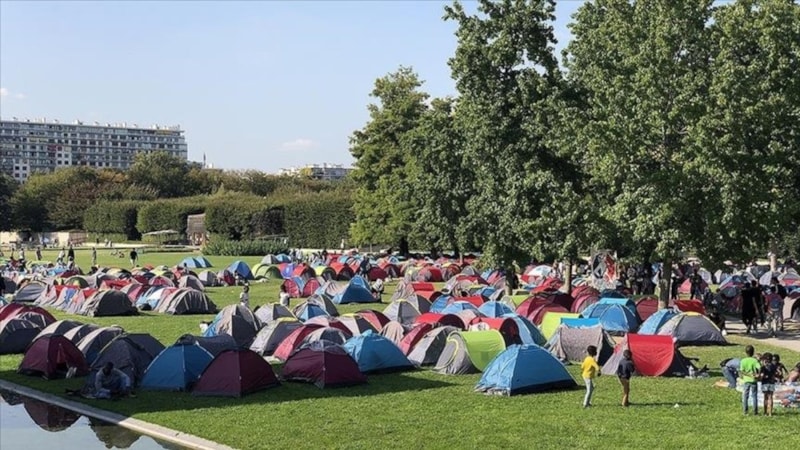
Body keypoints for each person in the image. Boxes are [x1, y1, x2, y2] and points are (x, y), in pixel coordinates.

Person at [739, 345, 761, 415]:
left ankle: (745, 411)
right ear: (753, 352)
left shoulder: (743, 361)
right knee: (754, 396)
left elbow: (742, 371)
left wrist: (747, 375)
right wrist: (758, 374)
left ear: (746, 352)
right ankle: (755, 411)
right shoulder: (754, 360)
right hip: (753, 380)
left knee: (745, 396)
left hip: (746, 380)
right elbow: (759, 367)